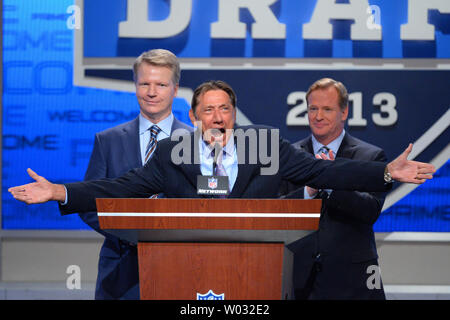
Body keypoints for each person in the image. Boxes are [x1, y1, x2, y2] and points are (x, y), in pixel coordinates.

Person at [9, 80, 435, 296]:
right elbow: (122, 186)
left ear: (234, 114)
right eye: (208, 110)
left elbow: (325, 173)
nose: (217, 116)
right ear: (194, 116)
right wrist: (62, 192)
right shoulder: (172, 154)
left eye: (225, 109)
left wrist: (384, 174)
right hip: (186, 278)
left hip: (257, 280)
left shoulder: (266, 145)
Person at [77, 49, 192, 299]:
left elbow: (209, 204)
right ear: (135, 86)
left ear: (175, 89)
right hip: (120, 269)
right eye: (144, 84)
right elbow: (88, 203)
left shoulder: (196, 143)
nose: (151, 92)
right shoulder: (107, 141)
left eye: (161, 84)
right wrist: (127, 232)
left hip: (181, 265)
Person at [279, 78, 389, 300]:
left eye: (327, 109)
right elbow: (278, 211)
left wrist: (331, 183)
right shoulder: (289, 156)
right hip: (300, 279)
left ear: (344, 112)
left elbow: (369, 211)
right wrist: (308, 191)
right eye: (313, 109)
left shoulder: (370, 156)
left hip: (353, 280)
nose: (318, 116)